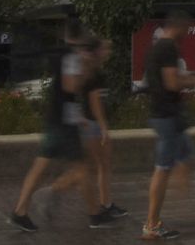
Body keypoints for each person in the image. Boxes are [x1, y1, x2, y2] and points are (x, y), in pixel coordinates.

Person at [9, 32, 115, 232]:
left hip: (58, 120)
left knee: (40, 167)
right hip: (63, 125)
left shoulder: (69, 56)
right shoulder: (72, 58)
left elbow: (66, 94)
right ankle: (95, 214)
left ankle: (20, 211)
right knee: (82, 170)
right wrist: (85, 70)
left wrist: (79, 117)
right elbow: (70, 86)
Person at [143, 11, 195, 241]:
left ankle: (181, 202)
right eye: (187, 28)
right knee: (163, 167)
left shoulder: (156, 47)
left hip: (168, 115)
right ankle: (151, 224)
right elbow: (171, 83)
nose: (188, 33)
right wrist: (190, 80)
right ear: (179, 26)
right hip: (166, 115)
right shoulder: (168, 48)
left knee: (184, 155)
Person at [83, 38, 126, 219]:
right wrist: (103, 127)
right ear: (97, 51)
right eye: (105, 49)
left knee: (100, 165)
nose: (108, 52)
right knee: (102, 165)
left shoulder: (89, 71)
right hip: (94, 125)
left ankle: (105, 203)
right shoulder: (96, 74)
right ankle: (103, 205)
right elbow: (95, 102)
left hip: (89, 123)